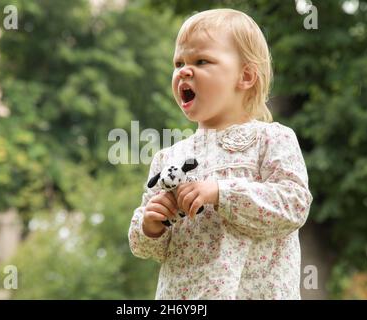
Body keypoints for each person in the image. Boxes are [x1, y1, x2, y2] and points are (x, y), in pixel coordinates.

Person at [128, 8, 313, 299]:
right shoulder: (168, 159)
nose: (184, 71)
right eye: (178, 63)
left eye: (201, 61)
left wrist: (221, 192)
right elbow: (149, 248)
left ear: (246, 76)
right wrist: (150, 225)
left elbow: (294, 206)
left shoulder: (271, 139)